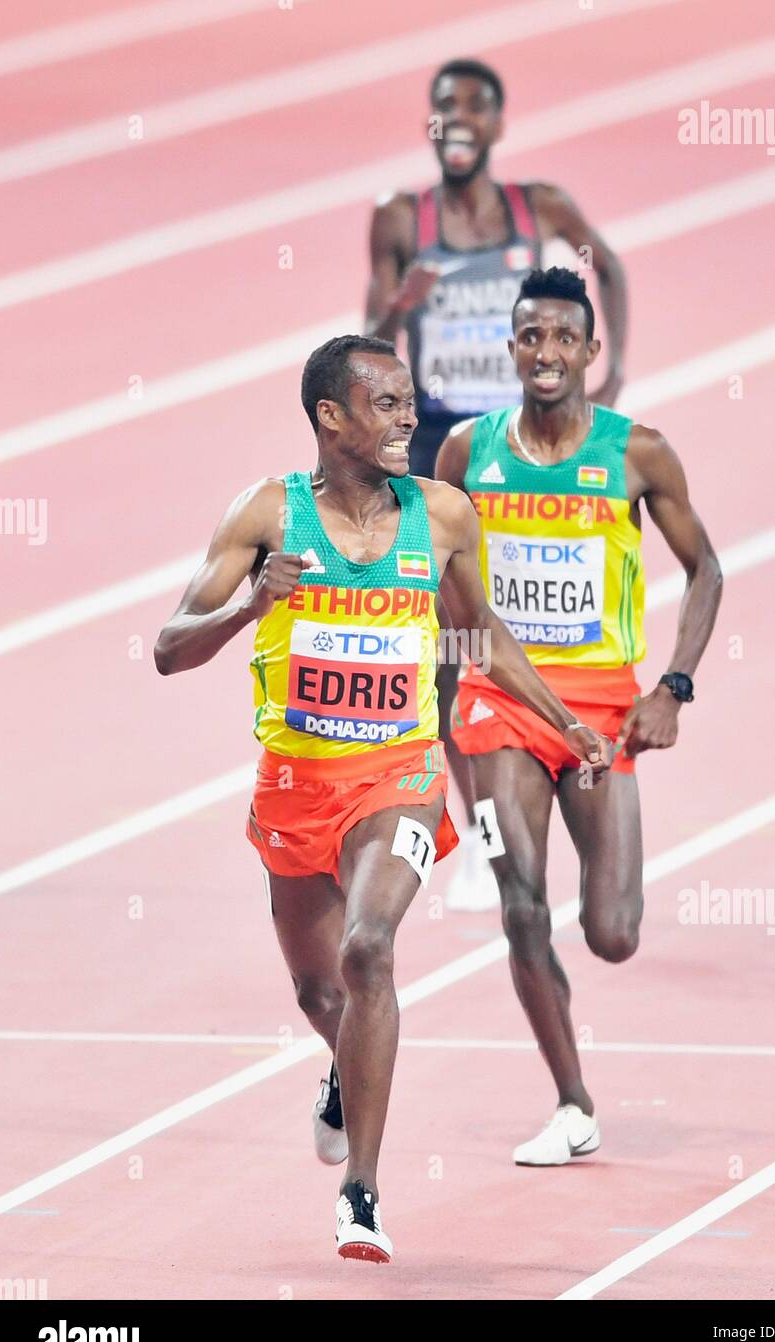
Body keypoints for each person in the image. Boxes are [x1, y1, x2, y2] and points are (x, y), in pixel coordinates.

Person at [155, 334, 614, 1260]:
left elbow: (477, 631)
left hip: (397, 773)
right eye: (388, 403)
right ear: (332, 417)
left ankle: (359, 1193)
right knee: (319, 988)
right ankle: (341, 1068)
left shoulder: (441, 514)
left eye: (411, 401)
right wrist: (250, 607)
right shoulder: (267, 514)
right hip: (293, 783)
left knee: (370, 951)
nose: (410, 417)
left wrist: (565, 724)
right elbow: (168, 645)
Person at [436, 268, 722, 1165]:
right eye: (530, 337)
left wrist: (670, 689)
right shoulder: (465, 455)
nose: (546, 353)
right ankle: (572, 1102)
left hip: (602, 710)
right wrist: (442, 714)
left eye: (564, 339)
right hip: (500, 704)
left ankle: (598, 934)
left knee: (612, 936)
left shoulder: (638, 453)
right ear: (510, 347)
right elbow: (441, 594)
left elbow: (706, 568)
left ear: (591, 352)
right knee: (522, 908)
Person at [366, 57, 628, 909]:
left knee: (517, 615)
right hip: (443, 442)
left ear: (499, 125)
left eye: (476, 107)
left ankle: (533, 786)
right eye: (445, 107)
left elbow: (608, 268)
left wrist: (613, 373)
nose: (459, 120)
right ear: (432, 124)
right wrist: (398, 307)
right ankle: (481, 839)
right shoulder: (401, 217)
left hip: (522, 440)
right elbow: (368, 335)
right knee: (450, 645)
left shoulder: (537, 208)